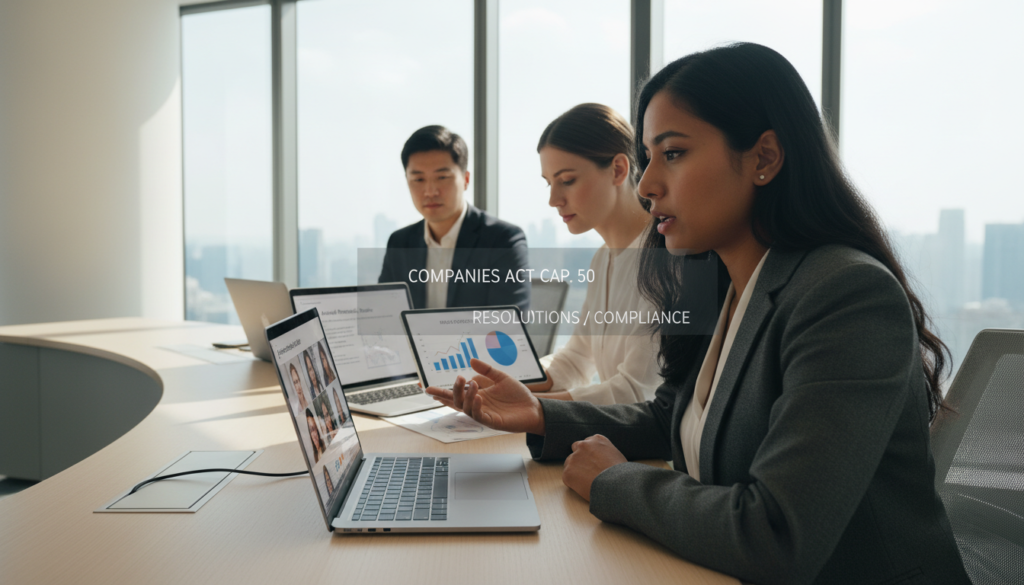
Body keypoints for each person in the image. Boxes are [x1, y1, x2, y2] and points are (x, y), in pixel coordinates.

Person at [427, 44, 970, 585]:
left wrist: (614, 481)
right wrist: (541, 415)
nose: (645, 186)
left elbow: (777, 534)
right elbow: (672, 418)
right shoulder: (723, 282)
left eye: (674, 154)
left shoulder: (844, 294)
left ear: (764, 158)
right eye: (647, 158)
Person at [525, 103, 661, 404]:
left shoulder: (664, 258)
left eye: (567, 180)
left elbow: (637, 393)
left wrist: (528, 406)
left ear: (618, 169)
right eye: (549, 183)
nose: (553, 200)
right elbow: (576, 360)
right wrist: (511, 380)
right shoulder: (602, 259)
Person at [378, 125, 531, 312]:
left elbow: (509, 327)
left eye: (442, 177)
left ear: (466, 180)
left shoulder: (502, 241)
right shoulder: (400, 243)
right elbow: (385, 319)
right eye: (418, 180)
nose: (430, 191)